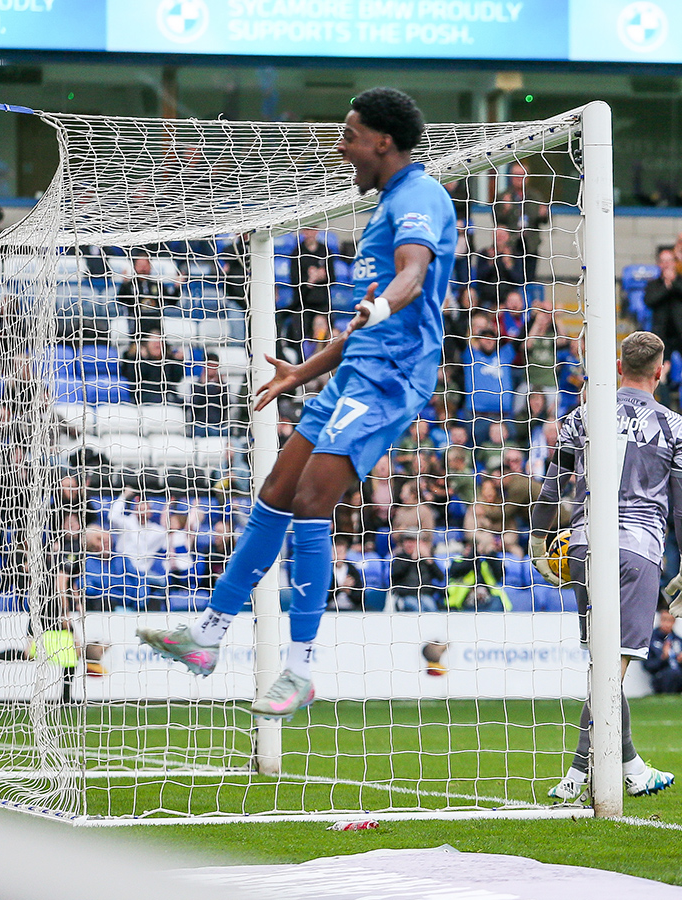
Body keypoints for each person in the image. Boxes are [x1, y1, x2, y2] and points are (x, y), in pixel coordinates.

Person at [137, 88, 456, 718]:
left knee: (313, 500)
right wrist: (301, 373)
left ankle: (301, 667)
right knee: (275, 494)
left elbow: (413, 273)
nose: (342, 147)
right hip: (356, 372)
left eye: (350, 134)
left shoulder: (419, 197)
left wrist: (382, 304)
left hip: (391, 379)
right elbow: (366, 325)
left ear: (382, 143)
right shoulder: (388, 202)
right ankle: (205, 637)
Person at [532, 331, 682, 802]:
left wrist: (538, 542)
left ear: (619, 367)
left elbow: (551, 491)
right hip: (637, 548)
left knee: (602, 666)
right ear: (660, 372)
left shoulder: (581, 416)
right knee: (612, 671)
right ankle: (579, 772)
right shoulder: (675, 427)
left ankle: (630, 765)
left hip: (584, 544)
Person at [645, 610, 682, 694]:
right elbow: (648, 666)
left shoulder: (680, 641)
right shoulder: (651, 640)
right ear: (660, 620)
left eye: (670, 620)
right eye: (664, 620)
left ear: (674, 622)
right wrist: (663, 658)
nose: (667, 624)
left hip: (679, 675)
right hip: (661, 676)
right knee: (671, 673)